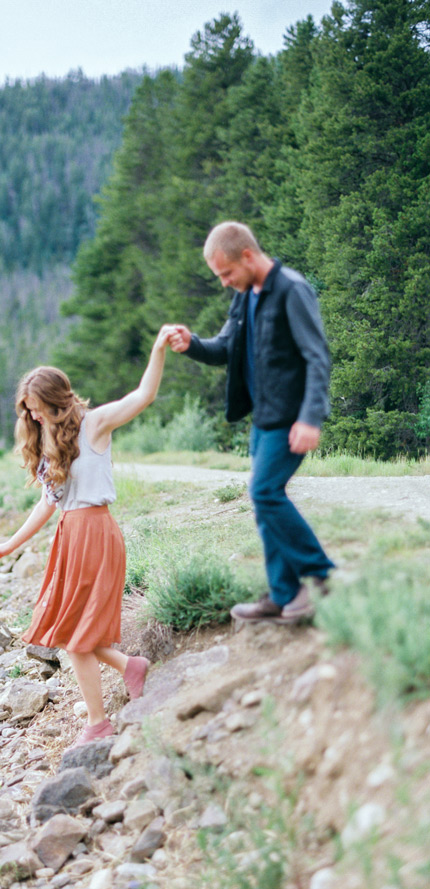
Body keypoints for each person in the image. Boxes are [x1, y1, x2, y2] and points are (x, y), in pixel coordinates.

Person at [0, 328, 174, 746]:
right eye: (28, 411)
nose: (32, 417)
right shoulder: (48, 439)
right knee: (72, 632)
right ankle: (130, 667)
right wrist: (10, 544)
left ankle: (97, 722)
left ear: (55, 400)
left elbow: (143, 395)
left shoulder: (95, 425)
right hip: (70, 536)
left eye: (36, 408)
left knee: (75, 637)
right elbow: (47, 505)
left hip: (97, 533)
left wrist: (158, 347)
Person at [167, 221, 334, 623]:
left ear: (247, 256)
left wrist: (311, 417)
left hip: (292, 420)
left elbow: (318, 357)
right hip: (263, 421)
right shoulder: (245, 296)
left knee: (264, 493)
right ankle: (282, 594)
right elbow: (225, 347)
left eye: (226, 273)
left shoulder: (292, 290)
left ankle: (321, 574)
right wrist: (192, 345)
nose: (224, 282)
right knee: (264, 503)